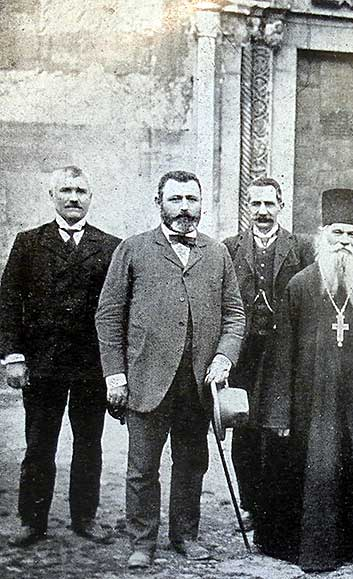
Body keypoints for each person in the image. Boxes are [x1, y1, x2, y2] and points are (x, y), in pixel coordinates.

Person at [95, 170, 245, 569]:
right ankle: (142, 542)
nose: (184, 208)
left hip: (198, 382)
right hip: (146, 381)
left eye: (191, 200)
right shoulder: (133, 249)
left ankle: (185, 536)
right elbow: (108, 316)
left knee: (192, 463)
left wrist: (223, 357)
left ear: (201, 204)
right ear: (159, 203)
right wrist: (115, 375)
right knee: (142, 468)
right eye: (175, 199)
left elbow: (234, 315)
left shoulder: (217, 253)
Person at [261, 188, 353, 572]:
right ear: (322, 236)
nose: (344, 242)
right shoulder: (300, 285)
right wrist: (279, 414)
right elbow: (281, 355)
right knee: (314, 469)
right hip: (309, 405)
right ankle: (314, 549)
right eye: (337, 233)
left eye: (351, 235)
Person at [0, 166, 120, 547]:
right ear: (52, 196)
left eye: (81, 191)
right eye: (65, 190)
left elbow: (119, 309)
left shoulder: (110, 246)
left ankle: (85, 517)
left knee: (89, 444)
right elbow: (7, 303)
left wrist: (116, 368)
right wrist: (13, 356)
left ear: (91, 197)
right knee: (39, 445)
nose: (73, 198)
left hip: (91, 366)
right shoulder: (29, 243)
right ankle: (31, 521)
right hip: (43, 365)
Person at [222, 175, 313, 532]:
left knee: (281, 427)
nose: (262, 211)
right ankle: (250, 505)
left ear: (281, 206)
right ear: (248, 207)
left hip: (284, 353)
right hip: (245, 354)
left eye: (269, 204)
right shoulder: (230, 248)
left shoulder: (301, 248)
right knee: (244, 429)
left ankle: (280, 505)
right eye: (256, 204)